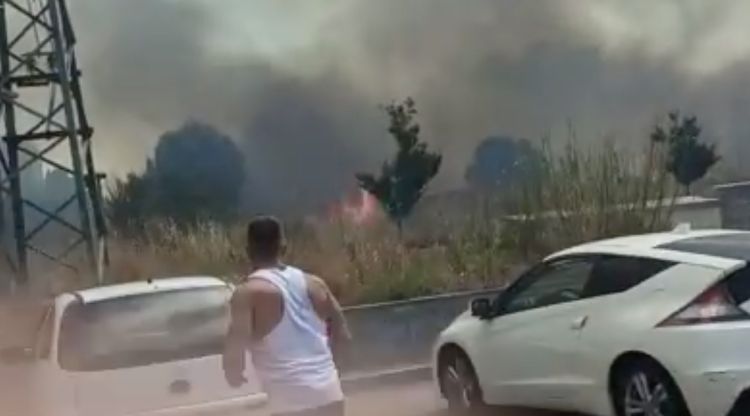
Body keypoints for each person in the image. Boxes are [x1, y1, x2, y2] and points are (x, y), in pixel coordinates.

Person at [223, 216, 351, 416]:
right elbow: (343, 334)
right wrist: (329, 373)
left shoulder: (248, 293)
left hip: (289, 401)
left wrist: (234, 373)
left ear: (248, 251)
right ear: (283, 247)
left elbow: (237, 345)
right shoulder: (315, 284)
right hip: (330, 395)